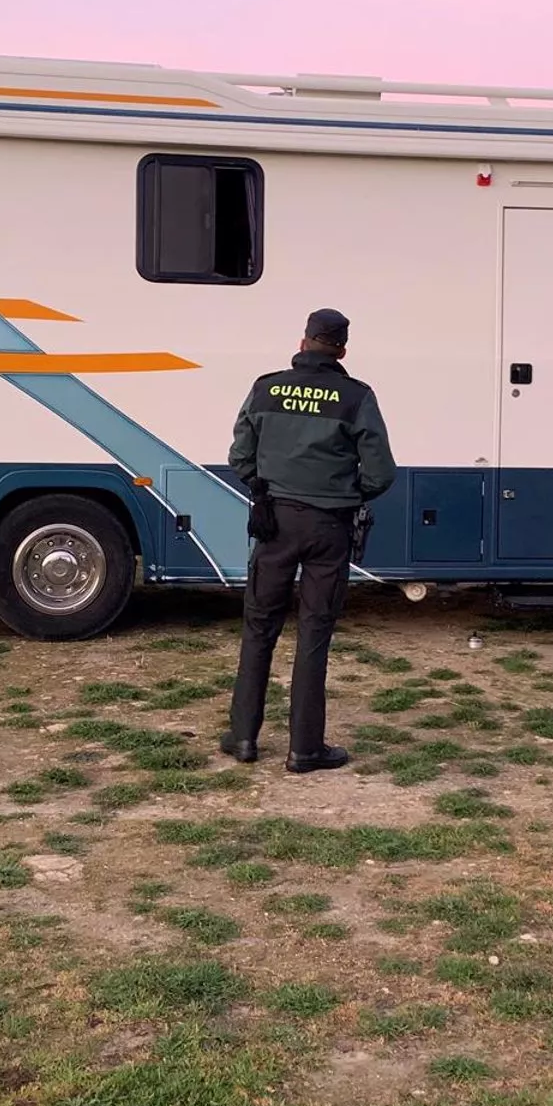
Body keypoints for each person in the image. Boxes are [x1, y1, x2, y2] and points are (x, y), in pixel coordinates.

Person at [221, 307, 396, 772]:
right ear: (341, 349)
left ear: (303, 343)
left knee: (259, 628)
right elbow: (381, 472)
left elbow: (240, 454)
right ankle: (305, 749)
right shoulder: (356, 397)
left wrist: (262, 485)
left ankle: (243, 737)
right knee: (314, 633)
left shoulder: (266, 387)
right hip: (328, 527)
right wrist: (345, 493)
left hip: (274, 523)